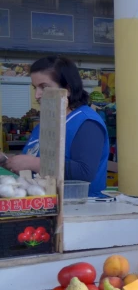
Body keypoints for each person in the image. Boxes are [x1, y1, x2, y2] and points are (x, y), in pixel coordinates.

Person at [0, 56, 110, 197]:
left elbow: (84, 171)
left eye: (44, 87)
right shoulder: (43, 126)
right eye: (35, 88)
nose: (37, 95)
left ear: (67, 89)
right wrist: (6, 160)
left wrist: (33, 163)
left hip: (81, 207)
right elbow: (30, 161)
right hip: (44, 205)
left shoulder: (86, 122)